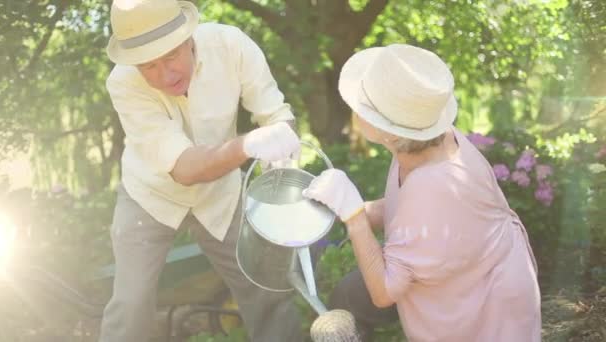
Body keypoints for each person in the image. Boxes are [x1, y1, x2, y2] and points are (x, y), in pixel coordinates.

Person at [303, 44, 542, 341]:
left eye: (363, 105)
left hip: (481, 305)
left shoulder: (433, 185)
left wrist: (354, 217)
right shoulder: (424, 140)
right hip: (465, 270)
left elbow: (384, 292)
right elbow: (408, 212)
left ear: (389, 130)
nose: (354, 109)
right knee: (349, 294)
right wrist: (348, 208)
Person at [100, 0, 303, 341]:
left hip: (221, 191)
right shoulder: (122, 83)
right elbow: (184, 168)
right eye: (149, 66)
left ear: (188, 36)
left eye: (171, 57)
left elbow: (277, 115)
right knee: (131, 305)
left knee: (267, 286)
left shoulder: (232, 45)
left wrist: (283, 142)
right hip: (149, 196)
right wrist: (248, 145)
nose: (166, 75)